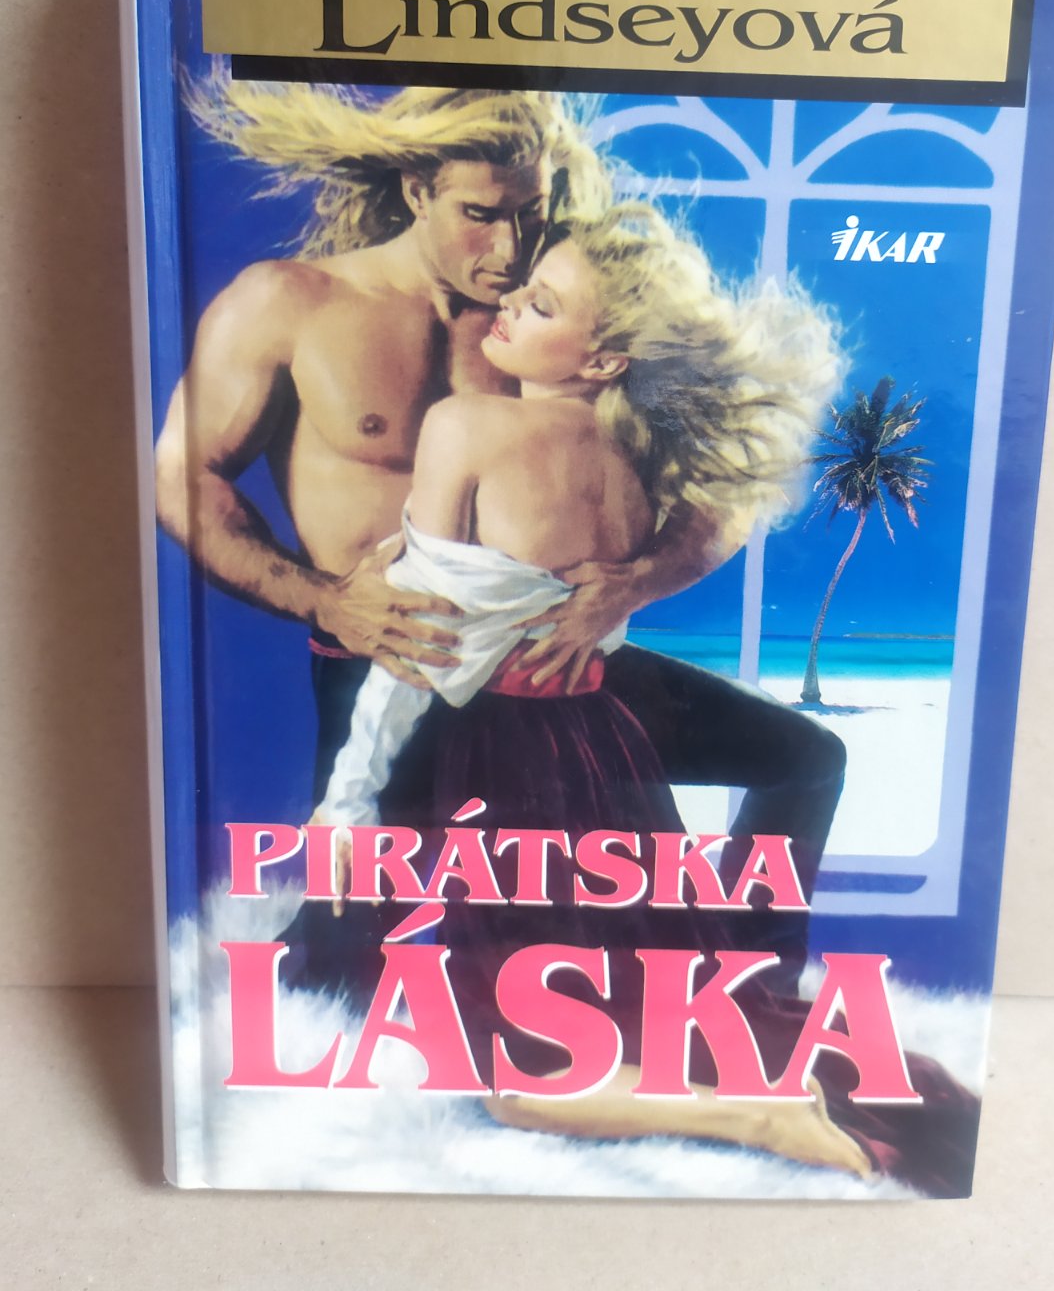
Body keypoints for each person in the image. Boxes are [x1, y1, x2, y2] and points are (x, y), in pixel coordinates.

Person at [284, 205, 978, 1196]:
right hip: (607, 742)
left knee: (520, 1079)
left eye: (541, 304)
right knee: (649, 995)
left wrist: (346, 798)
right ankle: (750, 1045)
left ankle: (757, 1113)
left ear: (605, 359)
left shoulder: (465, 425)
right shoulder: (644, 455)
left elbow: (420, 642)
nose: (508, 305)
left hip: (510, 756)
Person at [156, 78, 848, 969]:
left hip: (561, 669)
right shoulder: (289, 303)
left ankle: (745, 983)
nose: (511, 249)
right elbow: (182, 475)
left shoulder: (565, 307)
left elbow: (727, 477)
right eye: (481, 215)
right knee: (347, 962)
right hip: (397, 663)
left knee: (802, 758)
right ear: (418, 191)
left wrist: (634, 584)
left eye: (532, 212)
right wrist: (326, 601)